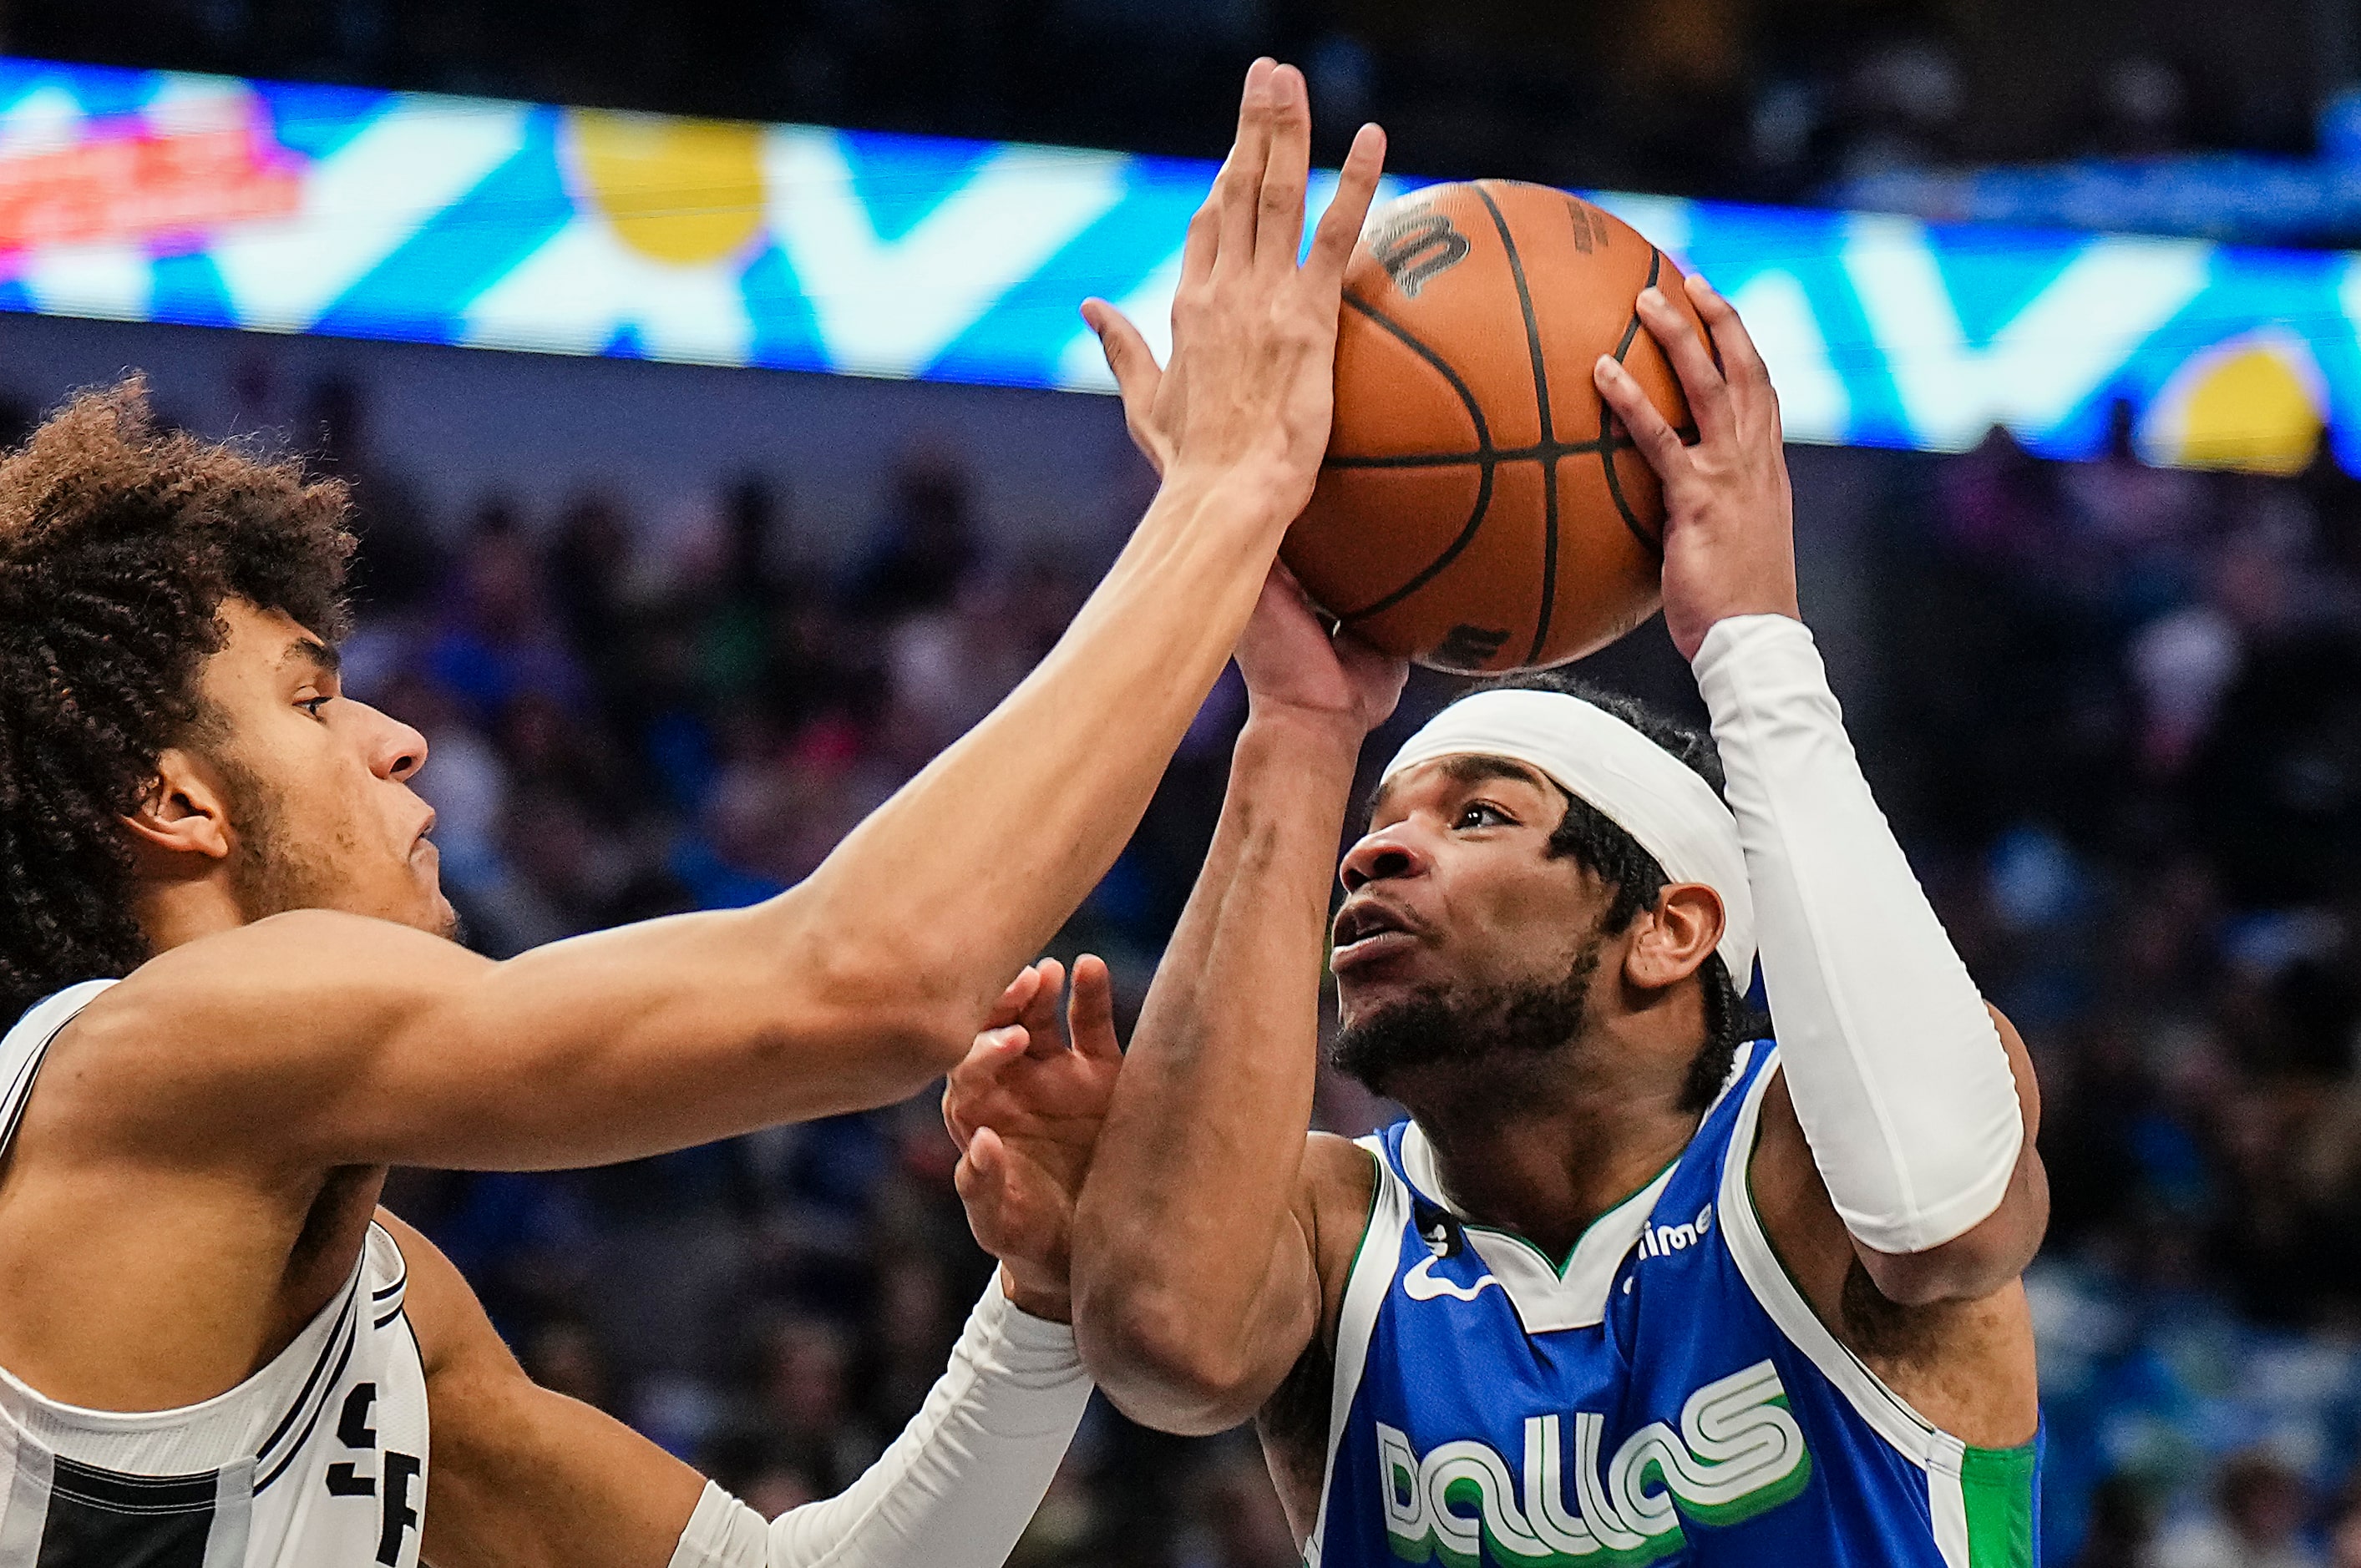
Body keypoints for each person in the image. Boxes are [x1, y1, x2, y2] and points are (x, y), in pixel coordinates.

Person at [0, 59, 1384, 1568]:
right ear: (174, 801)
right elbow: (866, 978)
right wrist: (1224, 495)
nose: (397, 740)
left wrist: (1037, 1309)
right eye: (312, 701)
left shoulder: (377, 1309)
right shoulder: (152, 1051)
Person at [950, 272, 2049, 1564]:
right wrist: (1302, 732)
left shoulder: (1804, 1147)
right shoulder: (1334, 1222)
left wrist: (1752, 640)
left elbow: (1938, 1213)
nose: (1375, 856)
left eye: (1477, 817)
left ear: (1672, 929)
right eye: (1377, 824)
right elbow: (1166, 1345)